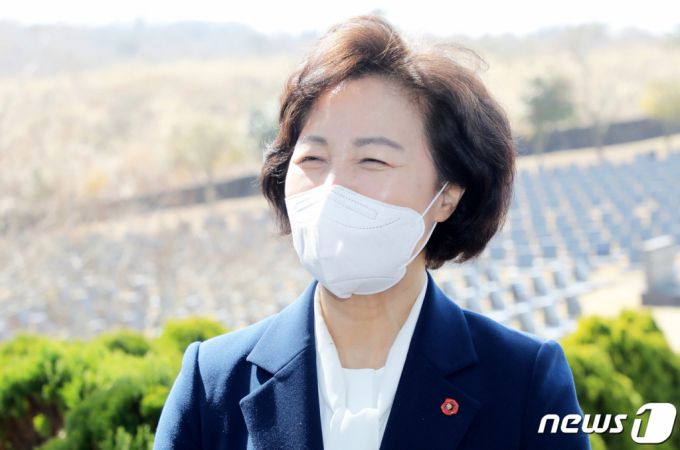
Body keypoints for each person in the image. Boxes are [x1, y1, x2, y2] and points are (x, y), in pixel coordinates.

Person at [153, 15, 590, 450]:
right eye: (312, 159)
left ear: (448, 194)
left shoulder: (523, 381)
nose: (332, 189)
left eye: (372, 161)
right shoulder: (212, 382)